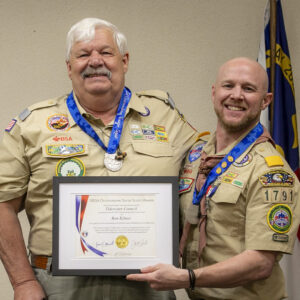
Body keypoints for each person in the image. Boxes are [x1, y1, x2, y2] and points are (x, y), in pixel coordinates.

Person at [0, 18, 199, 300]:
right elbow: (2, 204)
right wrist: (22, 282)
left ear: (124, 61)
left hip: (147, 282)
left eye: (106, 52)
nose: (95, 61)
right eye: (83, 54)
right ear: (69, 67)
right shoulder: (33, 124)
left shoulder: (166, 117)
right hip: (59, 283)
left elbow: (208, 170)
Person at [127, 57, 300, 300]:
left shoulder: (271, 172)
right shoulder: (196, 155)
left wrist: (187, 277)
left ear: (265, 101)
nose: (236, 95)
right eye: (228, 86)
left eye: (248, 88)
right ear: (214, 92)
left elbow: (261, 263)